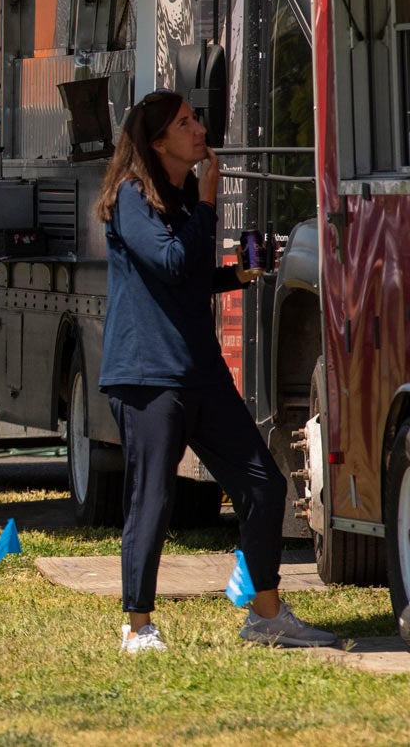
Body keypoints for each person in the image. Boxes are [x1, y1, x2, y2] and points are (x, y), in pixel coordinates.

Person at [97, 91, 335, 653]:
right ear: (158, 144)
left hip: (198, 370)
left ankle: (267, 614)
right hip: (147, 376)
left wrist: (238, 275)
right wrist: (208, 198)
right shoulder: (132, 199)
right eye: (185, 123)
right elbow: (174, 262)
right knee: (151, 499)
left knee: (263, 483)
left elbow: (188, 277)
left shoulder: (178, 199)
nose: (199, 129)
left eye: (195, 118)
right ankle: (137, 625)